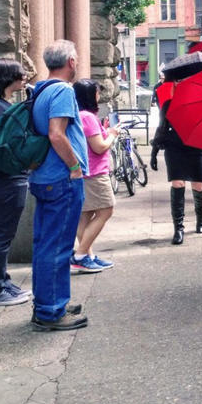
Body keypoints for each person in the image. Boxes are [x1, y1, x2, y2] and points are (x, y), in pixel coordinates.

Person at [28, 40, 89, 330]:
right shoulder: (63, 90)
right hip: (62, 179)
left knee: (45, 243)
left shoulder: (41, 90)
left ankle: (48, 303)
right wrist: (75, 167)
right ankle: (51, 311)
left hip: (43, 177)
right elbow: (56, 134)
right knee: (57, 246)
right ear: (71, 62)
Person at [0, 59, 31, 307]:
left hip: (4, 177)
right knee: (2, 234)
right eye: (20, 73)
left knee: (1, 234)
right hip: (4, 178)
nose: (24, 76)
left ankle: (1, 281)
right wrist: (19, 162)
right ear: (7, 78)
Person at [151, 82, 202, 245]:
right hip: (175, 147)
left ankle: (201, 218)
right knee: (177, 183)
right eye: (178, 84)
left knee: (199, 185)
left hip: (197, 146)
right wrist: (154, 152)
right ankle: (178, 228)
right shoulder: (169, 105)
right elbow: (161, 128)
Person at [70, 80, 117, 273]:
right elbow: (99, 147)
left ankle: (87, 255)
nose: (99, 96)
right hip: (95, 172)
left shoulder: (78, 115)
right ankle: (80, 255)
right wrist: (112, 134)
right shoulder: (88, 117)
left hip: (85, 171)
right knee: (106, 209)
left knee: (85, 214)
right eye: (97, 93)